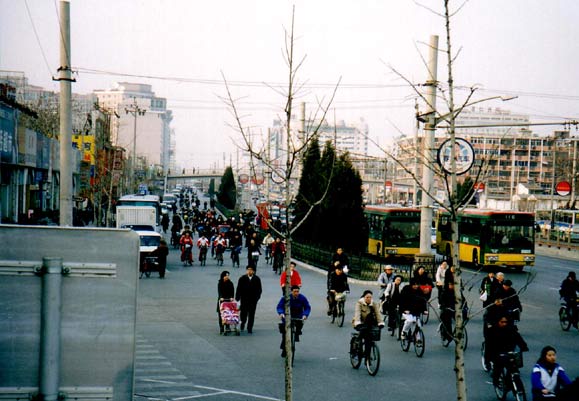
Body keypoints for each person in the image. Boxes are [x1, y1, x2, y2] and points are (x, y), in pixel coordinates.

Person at [485, 314, 529, 386]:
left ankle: (510, 383)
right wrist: (488, 359)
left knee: (513, 367)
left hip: (509, 352)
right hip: (497, 353)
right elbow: (488, 345)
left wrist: (524, 346)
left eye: (505, 322)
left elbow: (518, 338)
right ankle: (496, 382)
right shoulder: (492, 331)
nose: (504, 324)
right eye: (502, 322)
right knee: (498, 367)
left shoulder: (511, 329)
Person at [276, 285, 311, 358]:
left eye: (297, 291)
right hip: (287, 316)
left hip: (298, 316)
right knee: (285, 333)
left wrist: (305, 315)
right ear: (291, 292)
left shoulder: (302, 298)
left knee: (298, 327)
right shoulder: (286, 297)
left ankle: (296, 334)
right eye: (294, 291)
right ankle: (284, 349)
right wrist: (281, 313)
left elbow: (307, 307)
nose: (296, 293)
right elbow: (280, 306)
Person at [352, 290, 385, 356]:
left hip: (370, 323)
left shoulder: (374, 304)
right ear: (364, 297)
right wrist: (358, 323)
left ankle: (367, 354)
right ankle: (357, 346)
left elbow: (378, 314)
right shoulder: (359, 303)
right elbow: (357, 313)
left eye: (370, 297)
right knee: (363, 335)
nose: (369, 299)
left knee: (369, 338)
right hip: (361, 323)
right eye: (367, 297)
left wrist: (380, 323)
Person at [235, 265, 262, 334]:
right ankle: (242, 324)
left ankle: (250, 328)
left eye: (251, 270)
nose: (249, 271)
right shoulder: (242, 278)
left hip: (253, 300)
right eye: (248, 269)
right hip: (244, 300)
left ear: (253, 271)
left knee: (251, 315)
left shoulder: (257, 279)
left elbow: (259, 290)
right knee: (243, 313)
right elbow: (239, 288)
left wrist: (257, 298)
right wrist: (237, 298)